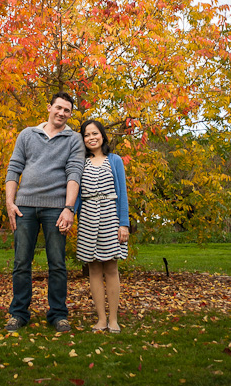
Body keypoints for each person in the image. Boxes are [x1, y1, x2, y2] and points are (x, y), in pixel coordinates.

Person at [4, 92, 84, 333]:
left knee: (57, 263)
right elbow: (14, 168)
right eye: (58, 108)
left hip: (56, 210)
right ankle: (19, 313)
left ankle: (58, 314)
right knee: (21, 263)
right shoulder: (27, 134)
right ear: (49, 107)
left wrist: (69, 209)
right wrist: (10, 202)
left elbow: (74, 174)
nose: (61, 113)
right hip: (24, 207)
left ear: (70, 114)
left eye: (67, 110)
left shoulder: (74, 139)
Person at [73, 119, 130, 333]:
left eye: (95, 133)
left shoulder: (114, 161)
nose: (91, 138)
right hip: (87, 217)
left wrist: (123, 224)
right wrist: (70, 213)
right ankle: (101, 319)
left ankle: (114, 319)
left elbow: (122, 194)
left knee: (111, 267)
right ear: (83, 139)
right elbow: (76, 193)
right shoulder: (80, 162)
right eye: (87, 135)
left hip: (110, 216)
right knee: (94, 268)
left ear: (103, 136)